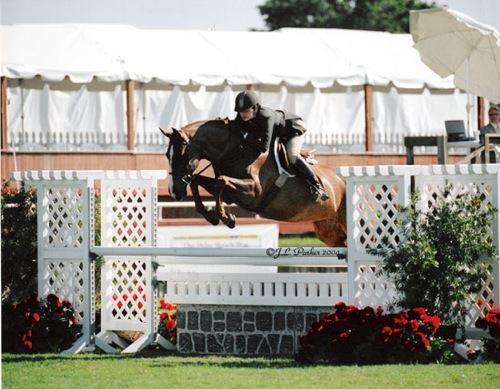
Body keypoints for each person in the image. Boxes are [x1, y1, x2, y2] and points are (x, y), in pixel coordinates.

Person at [233, 90, 329, 202]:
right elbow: (235, 127)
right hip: (279, 133)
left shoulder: (265, 116)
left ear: (254, 108)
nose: (242, 114)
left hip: (293, 129)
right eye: (240, 111)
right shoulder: (242, 116)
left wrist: (246, 136)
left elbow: (263, 147)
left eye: (245, 111)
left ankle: (318, 187)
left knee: (292, 155)